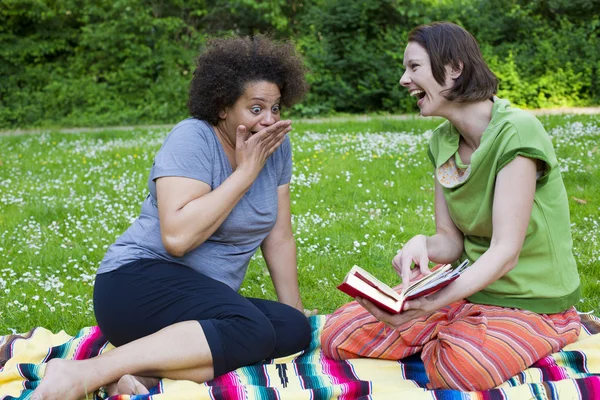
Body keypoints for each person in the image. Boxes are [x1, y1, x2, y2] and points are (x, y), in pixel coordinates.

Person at [32, 35, 313, 400]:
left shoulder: (275, 149)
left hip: (202, 303)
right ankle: (82, 373)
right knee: (251, 330)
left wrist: (294, 308)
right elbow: (178, 239)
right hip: (136, 284)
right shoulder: (193, 138)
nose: (269, 121)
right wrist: (245, 173)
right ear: (223, 106)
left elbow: (278, 236)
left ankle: (141, 374)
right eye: (256, 109)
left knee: (291, 330)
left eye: (275, 109)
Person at [321, 21, 581, 392]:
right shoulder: (443, 142)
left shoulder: (516, 133)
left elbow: (505, 252)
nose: (403, 80)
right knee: (337, 334)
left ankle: (546, 328)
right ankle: (457, 330)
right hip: (467, 289)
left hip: (531, 301)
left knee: (459, 370)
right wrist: (421, 244)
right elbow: (451, 242)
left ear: (454, 68)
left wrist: (431, 305)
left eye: (414, 67)